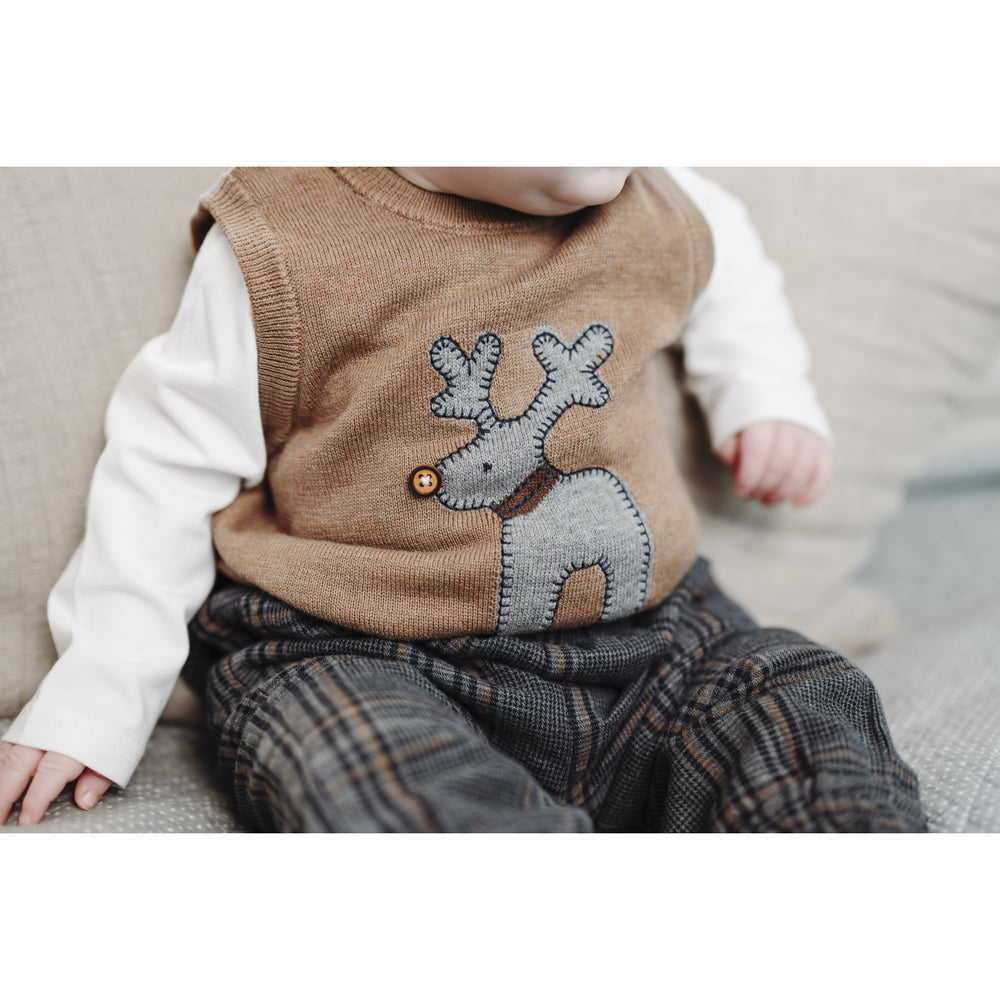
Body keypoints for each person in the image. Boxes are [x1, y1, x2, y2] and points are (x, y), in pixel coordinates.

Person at [0, 167, 926, 831]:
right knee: (360, 764)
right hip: (357, 650)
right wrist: (102, 688)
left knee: (804, 695)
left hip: (656, 645)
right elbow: (167, 461)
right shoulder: (289, 234)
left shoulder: (660, 199)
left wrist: (764, 394)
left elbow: (724, 248)